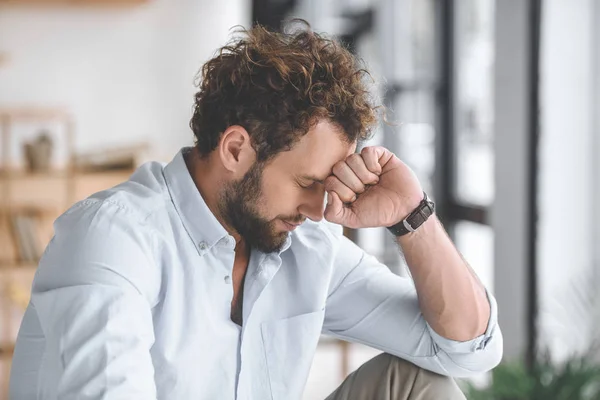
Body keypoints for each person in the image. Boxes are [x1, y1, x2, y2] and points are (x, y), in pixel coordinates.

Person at [9, 22, 502, 400]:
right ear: (236, 149)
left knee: (415, 383)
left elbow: (465, 350)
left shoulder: (303, 241)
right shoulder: (113, 238)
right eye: (308, 183)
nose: (320, 208)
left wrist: (410, 216)